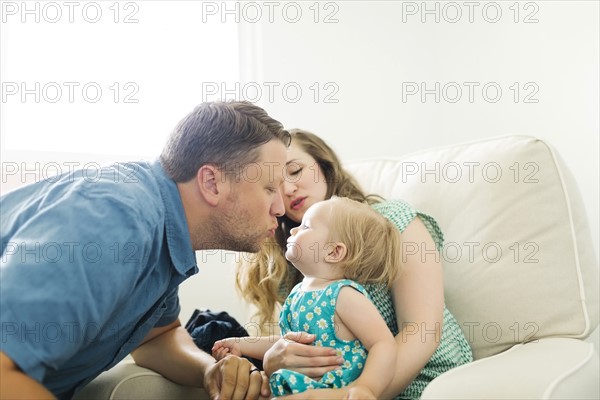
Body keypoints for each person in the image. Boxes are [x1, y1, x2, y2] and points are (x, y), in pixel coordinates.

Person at [0, 101, 290, 400]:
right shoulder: (115, 219)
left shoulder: (165, 234)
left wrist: (207, 371)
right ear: (212, 182)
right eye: (270, 188)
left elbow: (157, 337)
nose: (280, 208)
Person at [236, 129, 474, 399]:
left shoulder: (393, 222)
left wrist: (354, 393)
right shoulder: (295, 262)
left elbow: (422, 331)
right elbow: (310, 352)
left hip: (424, 378)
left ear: (324, 166)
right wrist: (274, 362)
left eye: (295, 171)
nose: (288, 189)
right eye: (275, 184)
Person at [214, 197, 400, 398]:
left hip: (333, 392)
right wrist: (242, 344)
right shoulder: (297, 293)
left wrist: (366, 387)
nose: (293, 230)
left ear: (334, 251)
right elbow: (285, 344)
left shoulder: (343, 295)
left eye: (306, 227)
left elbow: (383, 343)